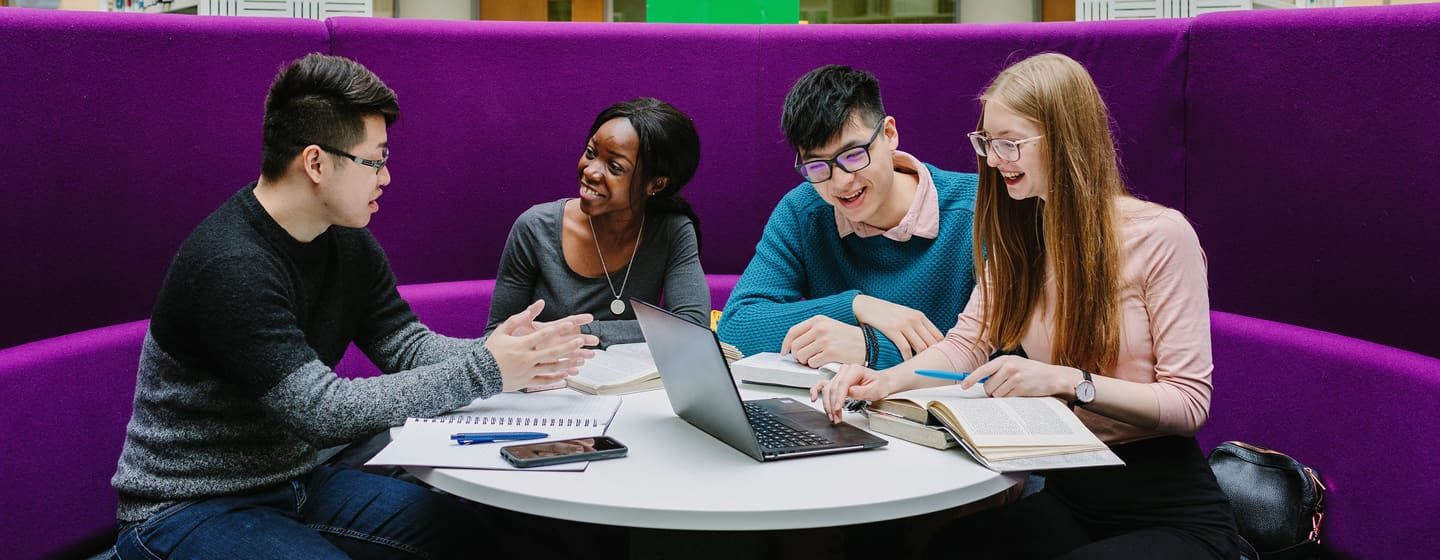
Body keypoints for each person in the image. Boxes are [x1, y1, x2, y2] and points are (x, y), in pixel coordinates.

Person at [108, 53, 597, 560]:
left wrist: (510, 355)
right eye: (376, 160)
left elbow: (404, 344)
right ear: (316, 162)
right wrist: (486, 370)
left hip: (296, 484)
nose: (385, 177)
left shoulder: (345, 240)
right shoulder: (231, 264)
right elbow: (323, 412)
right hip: (186, 508)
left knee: (473, 537)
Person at [815, 53, 1245, 559]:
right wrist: (885, 382)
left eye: (1009, 144)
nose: (994, 161)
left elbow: (1189, 403)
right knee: (946, 549)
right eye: (987, 144)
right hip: (1072, 497)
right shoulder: (1021, 239)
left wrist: (1067, 380)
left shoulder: (1161, 236)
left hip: (1170, 511)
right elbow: (967, 344)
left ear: (1066, 140)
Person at [719, 65, 979, 370]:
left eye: (853, 155)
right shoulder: (804, 211)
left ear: (890, 134)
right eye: (817, 166)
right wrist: (854, 306)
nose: (840, 183)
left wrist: (871, 349)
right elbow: (736, 327)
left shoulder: (980, 208)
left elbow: (1008, 356)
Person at [486, 97, 708, 347]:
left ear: (655, 184)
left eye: (614, 166)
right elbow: (496, 336)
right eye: (590, 153)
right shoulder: (535, 228)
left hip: (631, 384)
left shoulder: (671, 231)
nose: (590, 171)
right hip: (551, 381)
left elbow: (689, 326)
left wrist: (577, 331)